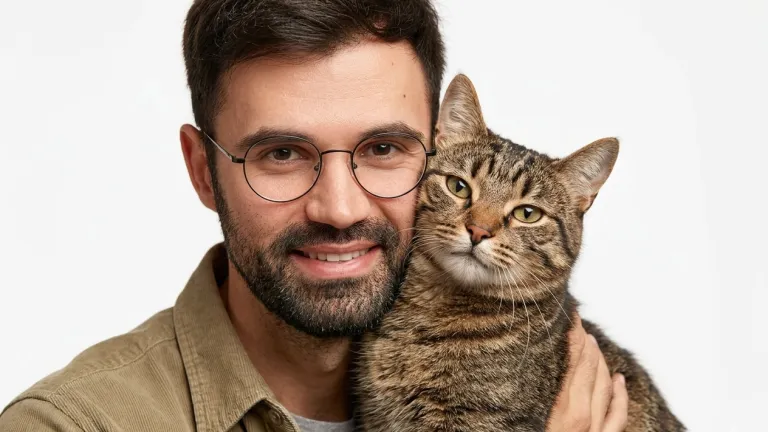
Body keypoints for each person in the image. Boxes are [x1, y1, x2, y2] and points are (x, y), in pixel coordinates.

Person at [0, 1, 628, 431]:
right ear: (202, 171)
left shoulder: (570, 374)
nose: (339, 209)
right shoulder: (72, 423)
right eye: (282, 154)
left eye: (383, 149)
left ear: (431, 149)